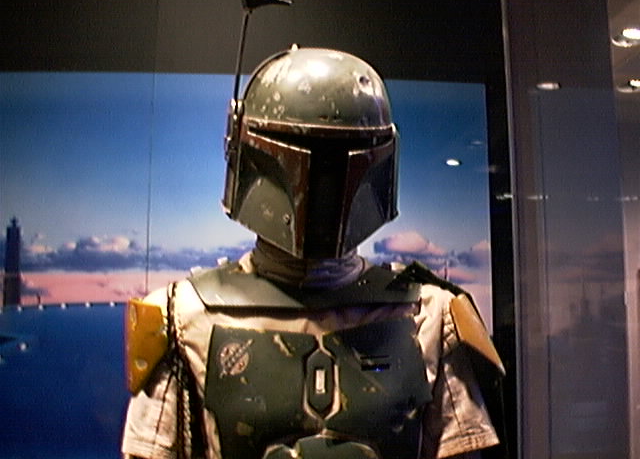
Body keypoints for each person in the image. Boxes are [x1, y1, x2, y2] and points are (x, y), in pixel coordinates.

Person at [121, 46, 504, 459]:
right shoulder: (181, 317)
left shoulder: (431, 314)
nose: (323, 182)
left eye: (342, 155)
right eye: (303, 149)